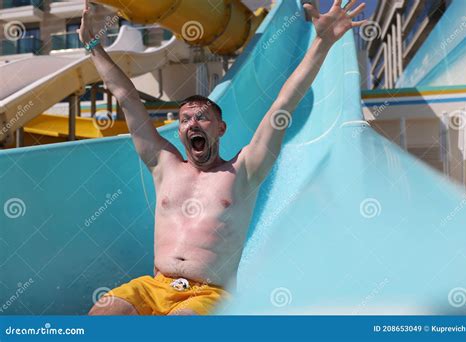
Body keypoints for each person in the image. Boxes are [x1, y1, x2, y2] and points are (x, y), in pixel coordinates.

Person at [81, 0, 366, 315]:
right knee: (103, 313)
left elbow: (284, 103)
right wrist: (93, 45)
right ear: (180, 132)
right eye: (185, 119)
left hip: (209, 294)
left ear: (220, 128)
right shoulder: (164, 164)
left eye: (202, 118)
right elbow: (126, 97)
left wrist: (322, 43)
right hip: (154, 285)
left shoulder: (244, 170)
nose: (192, 124)